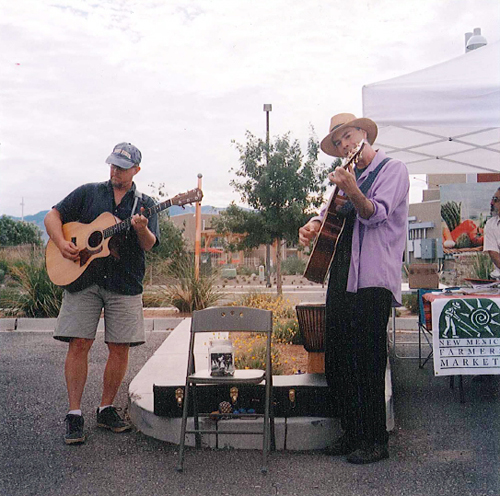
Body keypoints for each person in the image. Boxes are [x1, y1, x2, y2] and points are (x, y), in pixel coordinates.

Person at [299, 113, 409, 464]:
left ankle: (375, 441)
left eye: (348, 137)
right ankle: (352, 432)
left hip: (374, 278)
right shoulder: (348, 176)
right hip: (341, 274)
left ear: (365, 134)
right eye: (339, 142)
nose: (345, 145)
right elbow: (329, 209)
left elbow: (374, 212)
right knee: (339, 359)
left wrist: (350, 187)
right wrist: (314, 223)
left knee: (368, 361)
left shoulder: (394, 170)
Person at [45, 142, 160, 445]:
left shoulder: (145, 204)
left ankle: (106, 408)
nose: (114, 171)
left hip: (124, 282)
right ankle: (74, 414)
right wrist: (61, 243)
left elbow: (149, 244)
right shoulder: (88, 192)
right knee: (79, 343)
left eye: (122, 167)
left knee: (119, 347)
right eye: (112, 165)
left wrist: (141, 229)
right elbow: (52, 216)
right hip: (83, 279)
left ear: (136, 170)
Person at [484, 188, 500, 278]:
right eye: (493, 199)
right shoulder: (491, 224)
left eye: (496, 200)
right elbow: (494, 254)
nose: (492, 203)